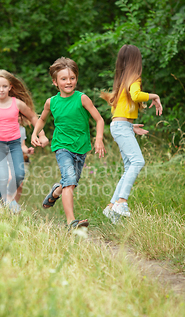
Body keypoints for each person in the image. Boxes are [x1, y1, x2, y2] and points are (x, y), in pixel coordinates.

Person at [31, 57, 106, 230]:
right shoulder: (52, 102)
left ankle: (55, 192)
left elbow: (99, 119)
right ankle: (71, 222)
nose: (68, 82)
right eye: (63, 79)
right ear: (55, 82)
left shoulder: (82, 99)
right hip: (62, 146)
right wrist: (35, 133)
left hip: (81, 147)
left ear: (76, 79)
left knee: (70, 183)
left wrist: (99, 138)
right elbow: (42, 119)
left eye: (72, 78)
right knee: (70, 181)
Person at [100, 44, 163, 222]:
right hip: (121, 127)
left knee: (130, 166)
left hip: (121, 126)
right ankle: (121, 201)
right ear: (137, 60)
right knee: (138, 161)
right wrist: (155, 96)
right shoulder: (134, 78)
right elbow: (136, 96)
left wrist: (130, 126)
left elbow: (120, 110)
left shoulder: (122, 80)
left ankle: (112, 206)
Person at [0, 70, 49, 211]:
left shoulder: (17, 103)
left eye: (4, 86)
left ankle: (7, 200)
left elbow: (33, 117)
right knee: (2, 176)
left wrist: (41, 135)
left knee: (19, 174)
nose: (1, 90)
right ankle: (4, 204)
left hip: (14, 145)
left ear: (10, 87)